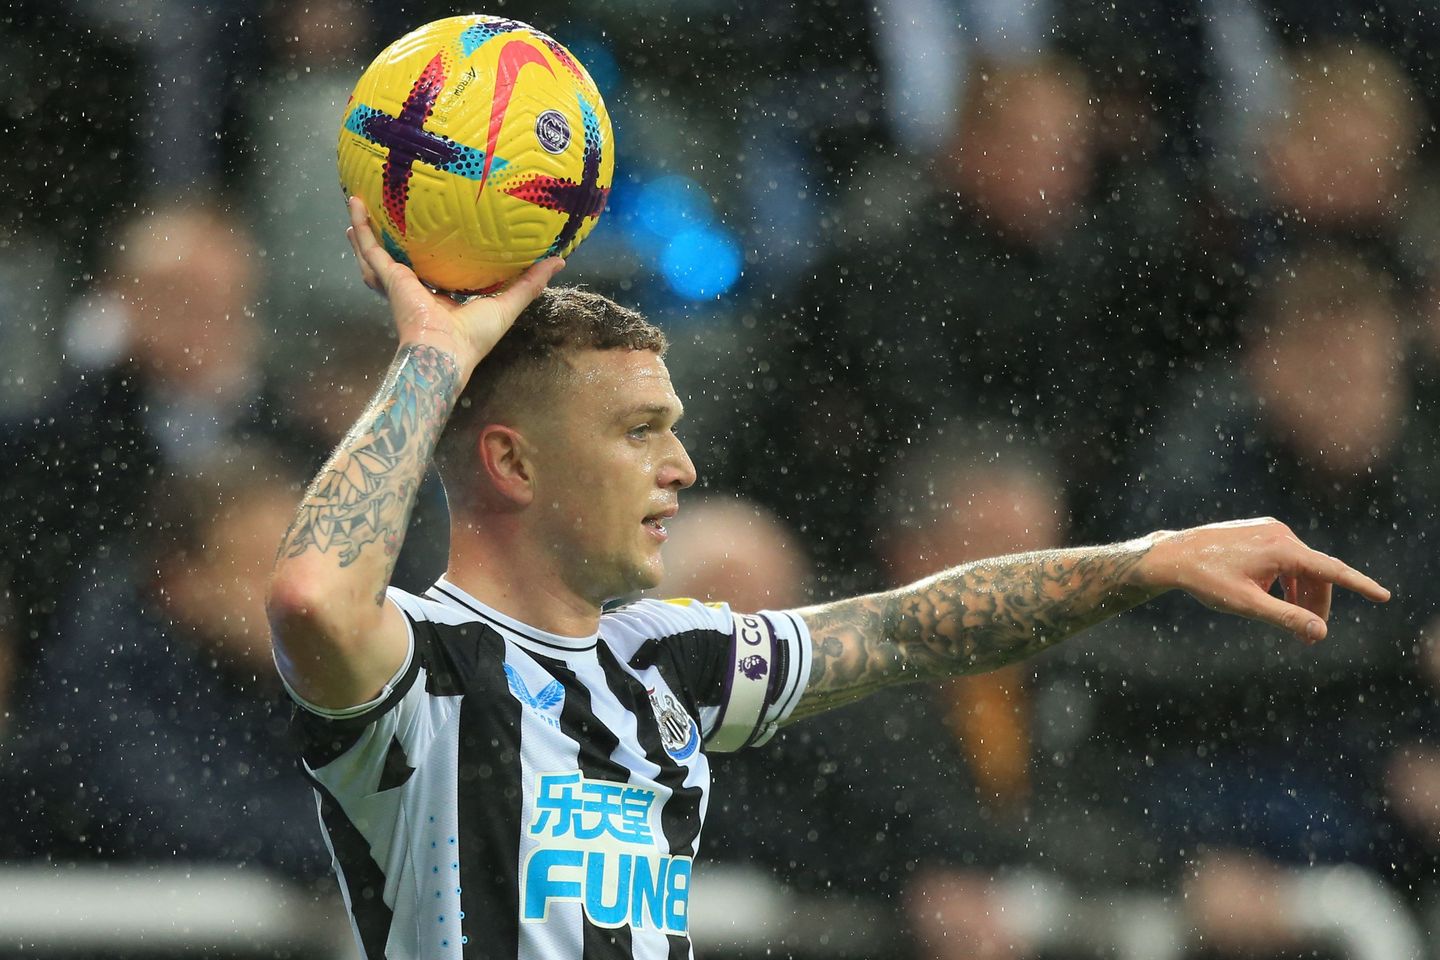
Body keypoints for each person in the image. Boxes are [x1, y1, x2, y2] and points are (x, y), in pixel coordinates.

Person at [265, 198, 1391, 960]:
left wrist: (1147, 561)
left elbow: (916, 630)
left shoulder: (674, 662)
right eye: (639, 433)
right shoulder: (420, 667)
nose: (682, 467)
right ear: (512, 461)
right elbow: (313, 595)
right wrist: (435, 355)